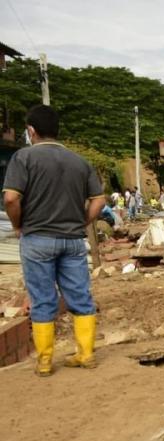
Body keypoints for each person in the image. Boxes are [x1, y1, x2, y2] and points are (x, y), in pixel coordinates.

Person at [3, 105, 106, 376]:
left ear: (31, 130)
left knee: (42, 299)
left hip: (37, 239)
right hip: (73, 241)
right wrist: (82, 222)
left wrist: (17, 225)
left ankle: (45, 362)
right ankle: (86, 355)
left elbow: (11, 198)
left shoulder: (23, 158)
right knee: (80, 297)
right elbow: (99, 200)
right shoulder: (79, 162)